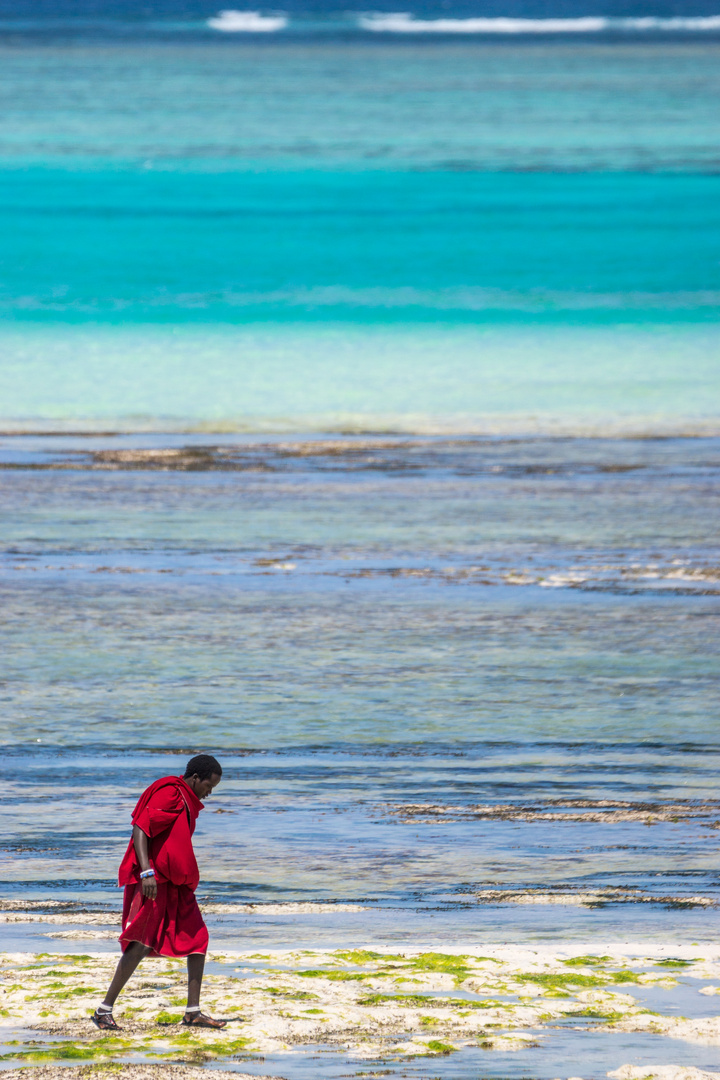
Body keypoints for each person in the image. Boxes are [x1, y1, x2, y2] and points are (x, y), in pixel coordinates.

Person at [92, 754, 226, 1030]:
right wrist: (146, 872)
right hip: (154, 880)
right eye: (208, 786)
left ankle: (193, 1012)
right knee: (141, 943)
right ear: (195, 778)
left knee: (198, 938)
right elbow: (141, 827)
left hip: (176, 883)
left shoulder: (187, 799)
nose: (209, 793)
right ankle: (103, 1011)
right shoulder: (171, 793)